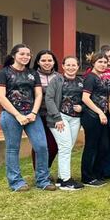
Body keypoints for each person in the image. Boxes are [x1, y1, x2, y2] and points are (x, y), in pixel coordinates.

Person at [0, 44, 56, 192]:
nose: (25, 57)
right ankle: (16, 181)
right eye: (22, 54)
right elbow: (1, 96)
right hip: (11, 115)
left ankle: (42, 180)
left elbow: (38, 95)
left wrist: (33, 113)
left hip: (31, 115)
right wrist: (17, 115)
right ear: (13, 55)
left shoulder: (32, 74)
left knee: (41, 146)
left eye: (28, 54)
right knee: (13, 149)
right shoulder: (4, 73)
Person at [45, 55, 85, 190]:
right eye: (68, 65)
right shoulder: (56, 80)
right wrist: (57, 118)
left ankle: (62, 177)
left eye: (74, 65)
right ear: (62, 66)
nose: (71, 67)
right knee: (65, 146)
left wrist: (82, 107)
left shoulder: (81, 81)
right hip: (60, 117)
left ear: (78, 67)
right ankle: (66, 181)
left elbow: (86, 98)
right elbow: (49, 99)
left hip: (75, 118)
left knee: (68, 147)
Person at [80, 52, 110, 187]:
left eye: (105, 62)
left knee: (104, 146)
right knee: (91, 146)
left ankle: (97, 173)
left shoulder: (101, 78)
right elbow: (85, 98)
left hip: (102, 117)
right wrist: (100, 112)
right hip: (92, 116)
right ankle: (87, 177)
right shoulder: (90, 78)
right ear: (93, 63)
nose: (103, 64)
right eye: (100, 62)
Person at [31, 50, 61, 176]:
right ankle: (40, 172)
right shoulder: (32, 76)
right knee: (39, 145)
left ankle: (45, 168)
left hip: (54, 115)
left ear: (54, 62)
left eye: (50, 60)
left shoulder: (59, 77)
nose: (47, 63)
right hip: (38, 114)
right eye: (43, 60)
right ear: (38, 62)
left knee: (54, 145)